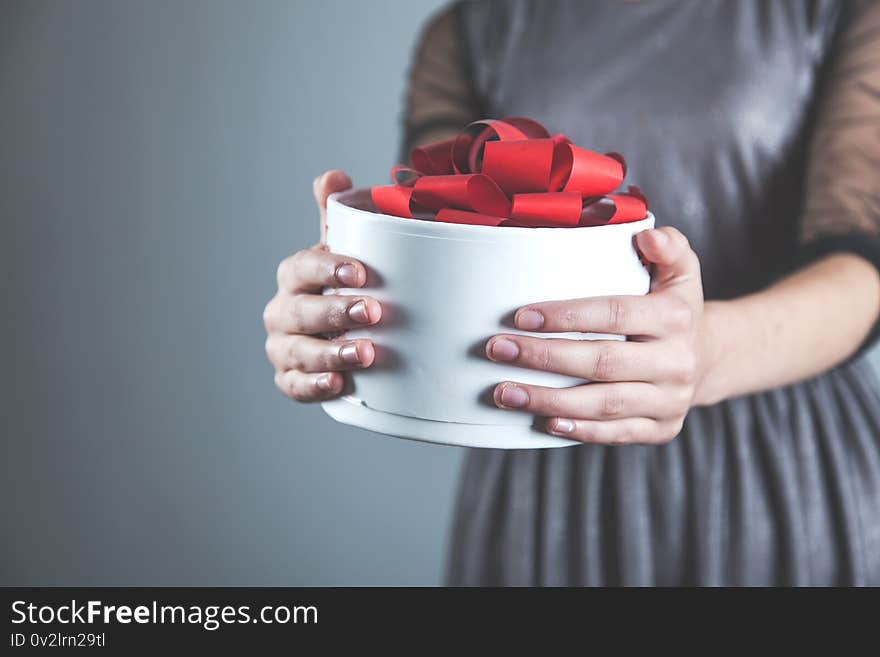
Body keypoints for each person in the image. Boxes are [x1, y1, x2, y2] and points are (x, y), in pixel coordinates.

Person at [263, 0, 880, 585]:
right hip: (543, 459)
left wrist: (704, 350)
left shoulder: (836, 12)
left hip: (779, 459)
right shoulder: (477, 30)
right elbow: (441, 241)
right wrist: (340, 323)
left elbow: (861, 264)